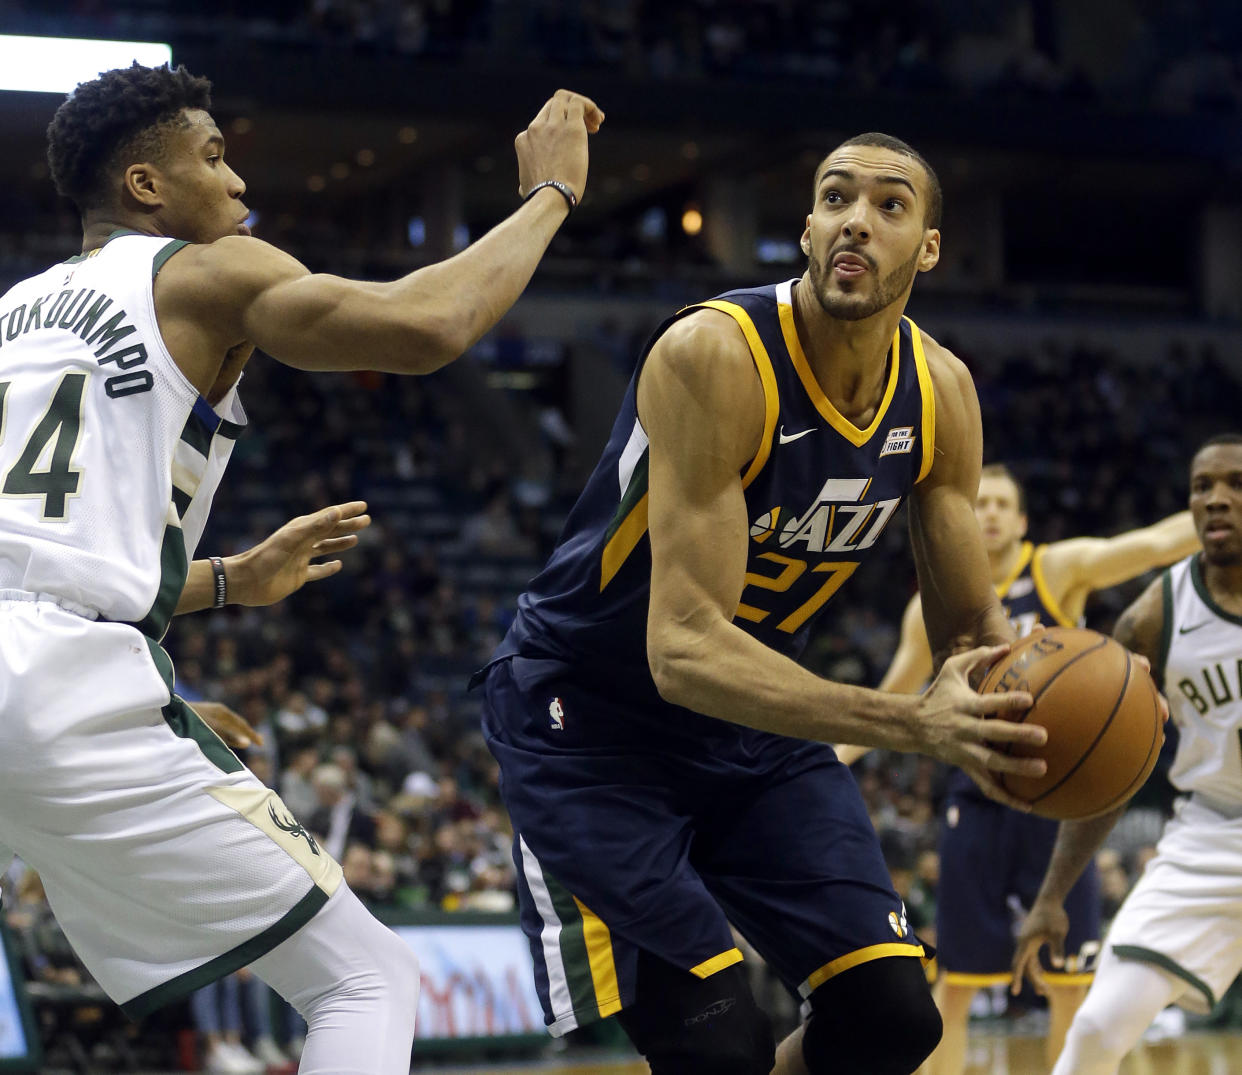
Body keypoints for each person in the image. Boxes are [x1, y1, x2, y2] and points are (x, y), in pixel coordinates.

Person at [0, 61, 600, 1074]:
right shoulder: (198, 273)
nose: (239, 186)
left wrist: (229, 578)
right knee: (366, 981)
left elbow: (42, 559)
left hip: (41, 665)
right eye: (215, 157)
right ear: (147, 187)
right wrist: (553, 194)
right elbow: (426, 327)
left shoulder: (14, 312)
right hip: (60, 689)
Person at [472, 132, 1058, 1075]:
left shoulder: (942, 392)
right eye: (835, 198)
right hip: (592, 717)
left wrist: (1061, 686)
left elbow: (972, 631)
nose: (856, 220)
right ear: (808, 229)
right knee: (722, 1044)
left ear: (931, 247)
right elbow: (684, 648)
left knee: (893, 1015)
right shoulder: (716, 353)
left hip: (750, 716)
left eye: (889, 204)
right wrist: (912, 722)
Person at [836, 463, 1197, 1073]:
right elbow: (897, 692)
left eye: (1004, 504)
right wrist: (835, 754)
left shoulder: (1056, 570)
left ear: (1023, 521)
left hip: (1062, 804)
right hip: (978, 794)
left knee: (1070, 982)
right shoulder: (936, 601)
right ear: (960, 519)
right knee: (955, 980)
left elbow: (1155, 545)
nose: (992, 514)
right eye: (980, 504)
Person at [1012, 434, 1242, 1075]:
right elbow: (1110, 769)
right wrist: (1052, 896)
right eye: (1202, 488)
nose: (1217, 500)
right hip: (1214, 837)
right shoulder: (1155, 618)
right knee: (1097, 1028)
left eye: (1236, 485)